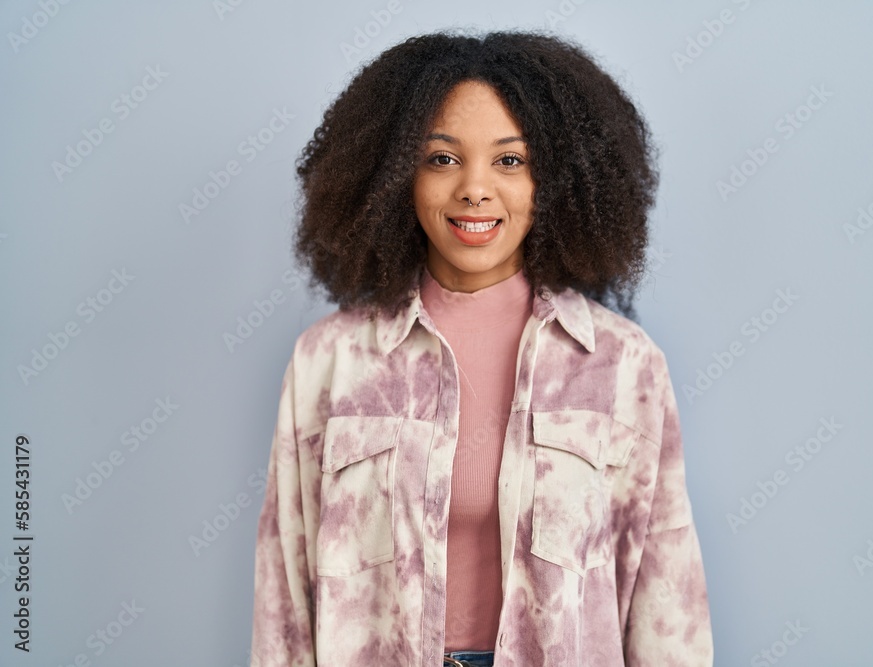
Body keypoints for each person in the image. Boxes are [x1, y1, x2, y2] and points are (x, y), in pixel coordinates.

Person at [250, 29, 713, 667]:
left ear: (556, 181)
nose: (474, 188)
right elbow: (285, 605)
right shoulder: (329, 364)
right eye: (441, 159)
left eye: (510, 160)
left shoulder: (622, 367)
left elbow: (667, 604)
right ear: (392, 178)